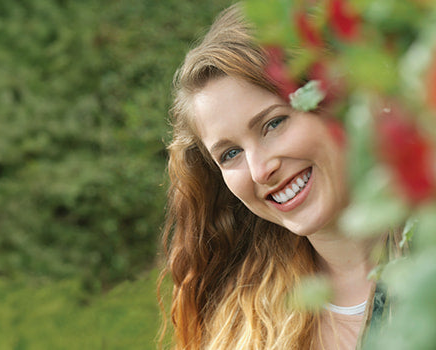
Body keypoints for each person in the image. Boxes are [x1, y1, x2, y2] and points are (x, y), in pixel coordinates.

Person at [159, 4, 394, 350]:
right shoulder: (242, 334)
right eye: (230, 154)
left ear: (337, 97)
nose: (259, 169)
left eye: (273, 123)